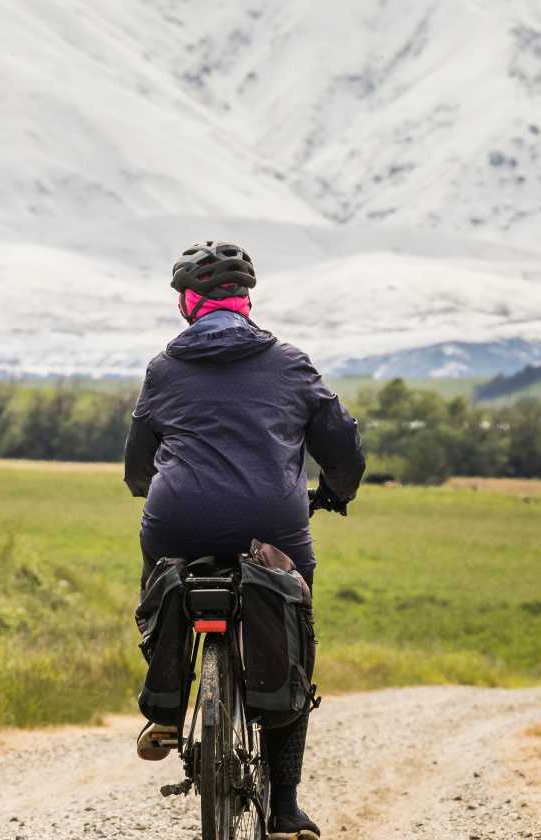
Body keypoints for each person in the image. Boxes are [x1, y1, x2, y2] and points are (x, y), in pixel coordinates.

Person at [124, 241, 366, 840]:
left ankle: (164, 704)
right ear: (246, 301)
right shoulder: (291, 363)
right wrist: (336, 492)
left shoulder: (162, 369)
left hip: (178, 518)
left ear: (188, 303)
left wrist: (148, 487)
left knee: (161, 584)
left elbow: (137, 463)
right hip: (272, 523)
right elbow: (341, 444)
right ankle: (284, 809)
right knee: (293, 626)